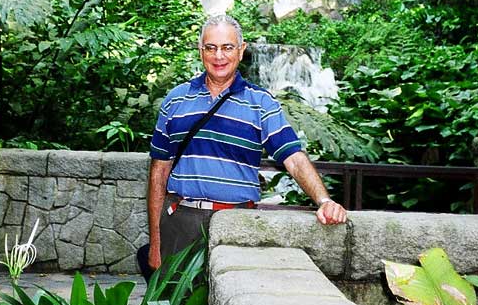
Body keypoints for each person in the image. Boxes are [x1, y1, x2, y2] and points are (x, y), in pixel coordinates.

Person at [146, 14, 347, 271]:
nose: (219, 56)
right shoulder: (175, 100)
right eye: (211, 47)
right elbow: (158, 174)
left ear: (241, 51)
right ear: (201, 51)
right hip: (181, 221)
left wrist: (324, 201)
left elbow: (294, 158)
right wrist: (155, 243)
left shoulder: (261, 103)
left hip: (237, 223)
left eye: (227, 47)